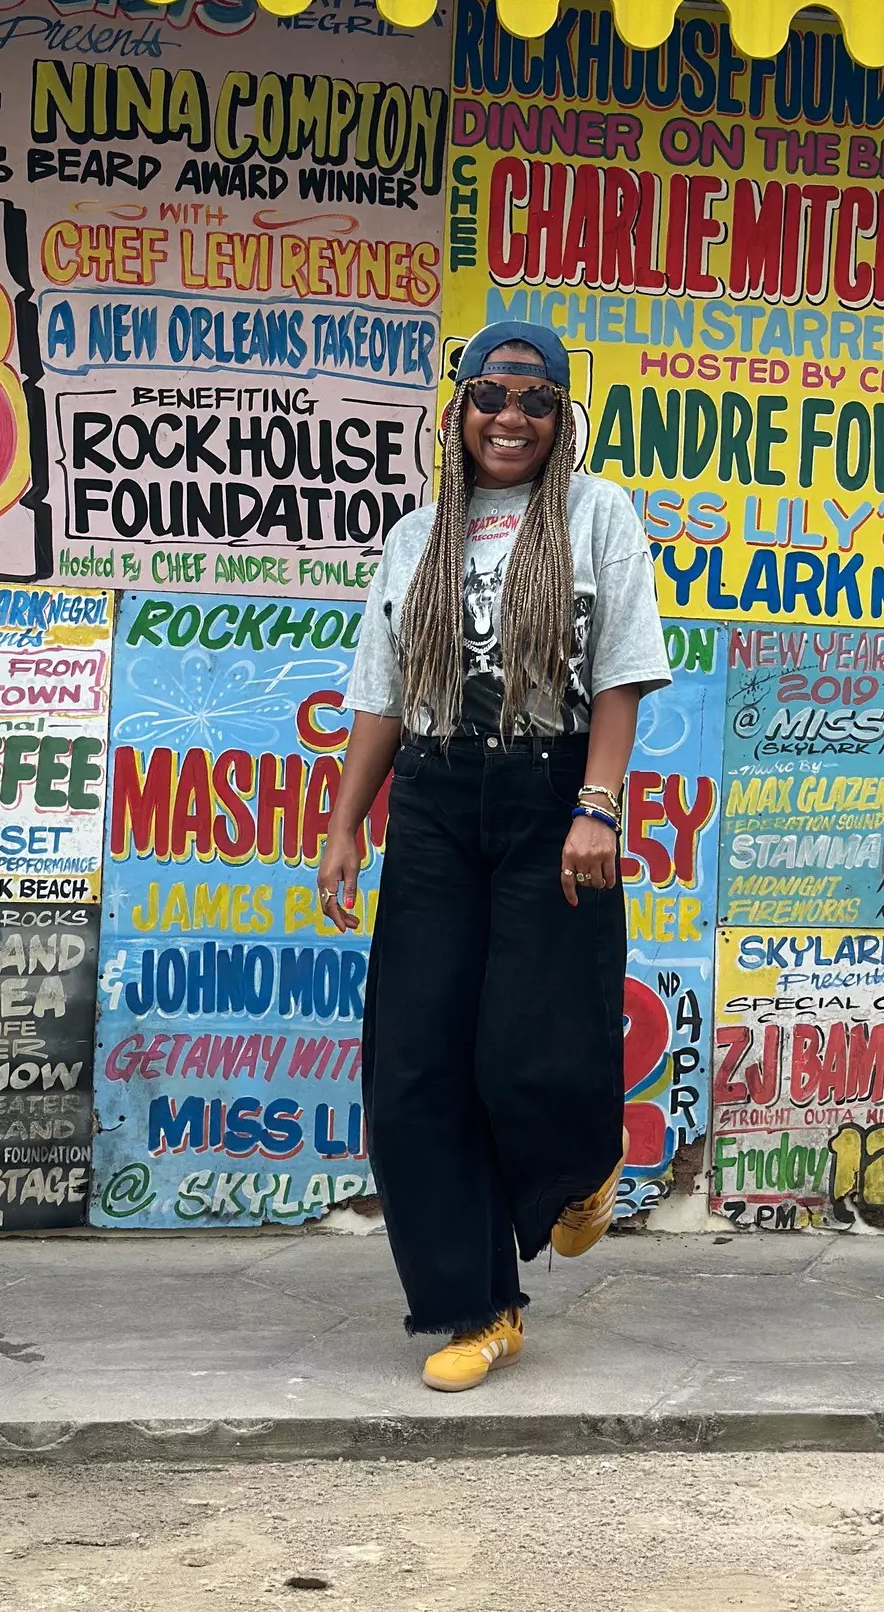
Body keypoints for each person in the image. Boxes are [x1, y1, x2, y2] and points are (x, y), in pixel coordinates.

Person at [317, 323, 670, 1391]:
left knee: (528, 1042)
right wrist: (346, 822)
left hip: (548, 790)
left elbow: (618, 672)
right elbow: (379, 694)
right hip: (432, 798)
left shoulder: (597, 512)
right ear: (456, 408)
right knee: (415, 1066)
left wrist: (596, 806)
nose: (509, 417)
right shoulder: (416, 535)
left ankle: (577, 1165)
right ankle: (474, 1309)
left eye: (534, 400)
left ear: (561, 418)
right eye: (489, 395)